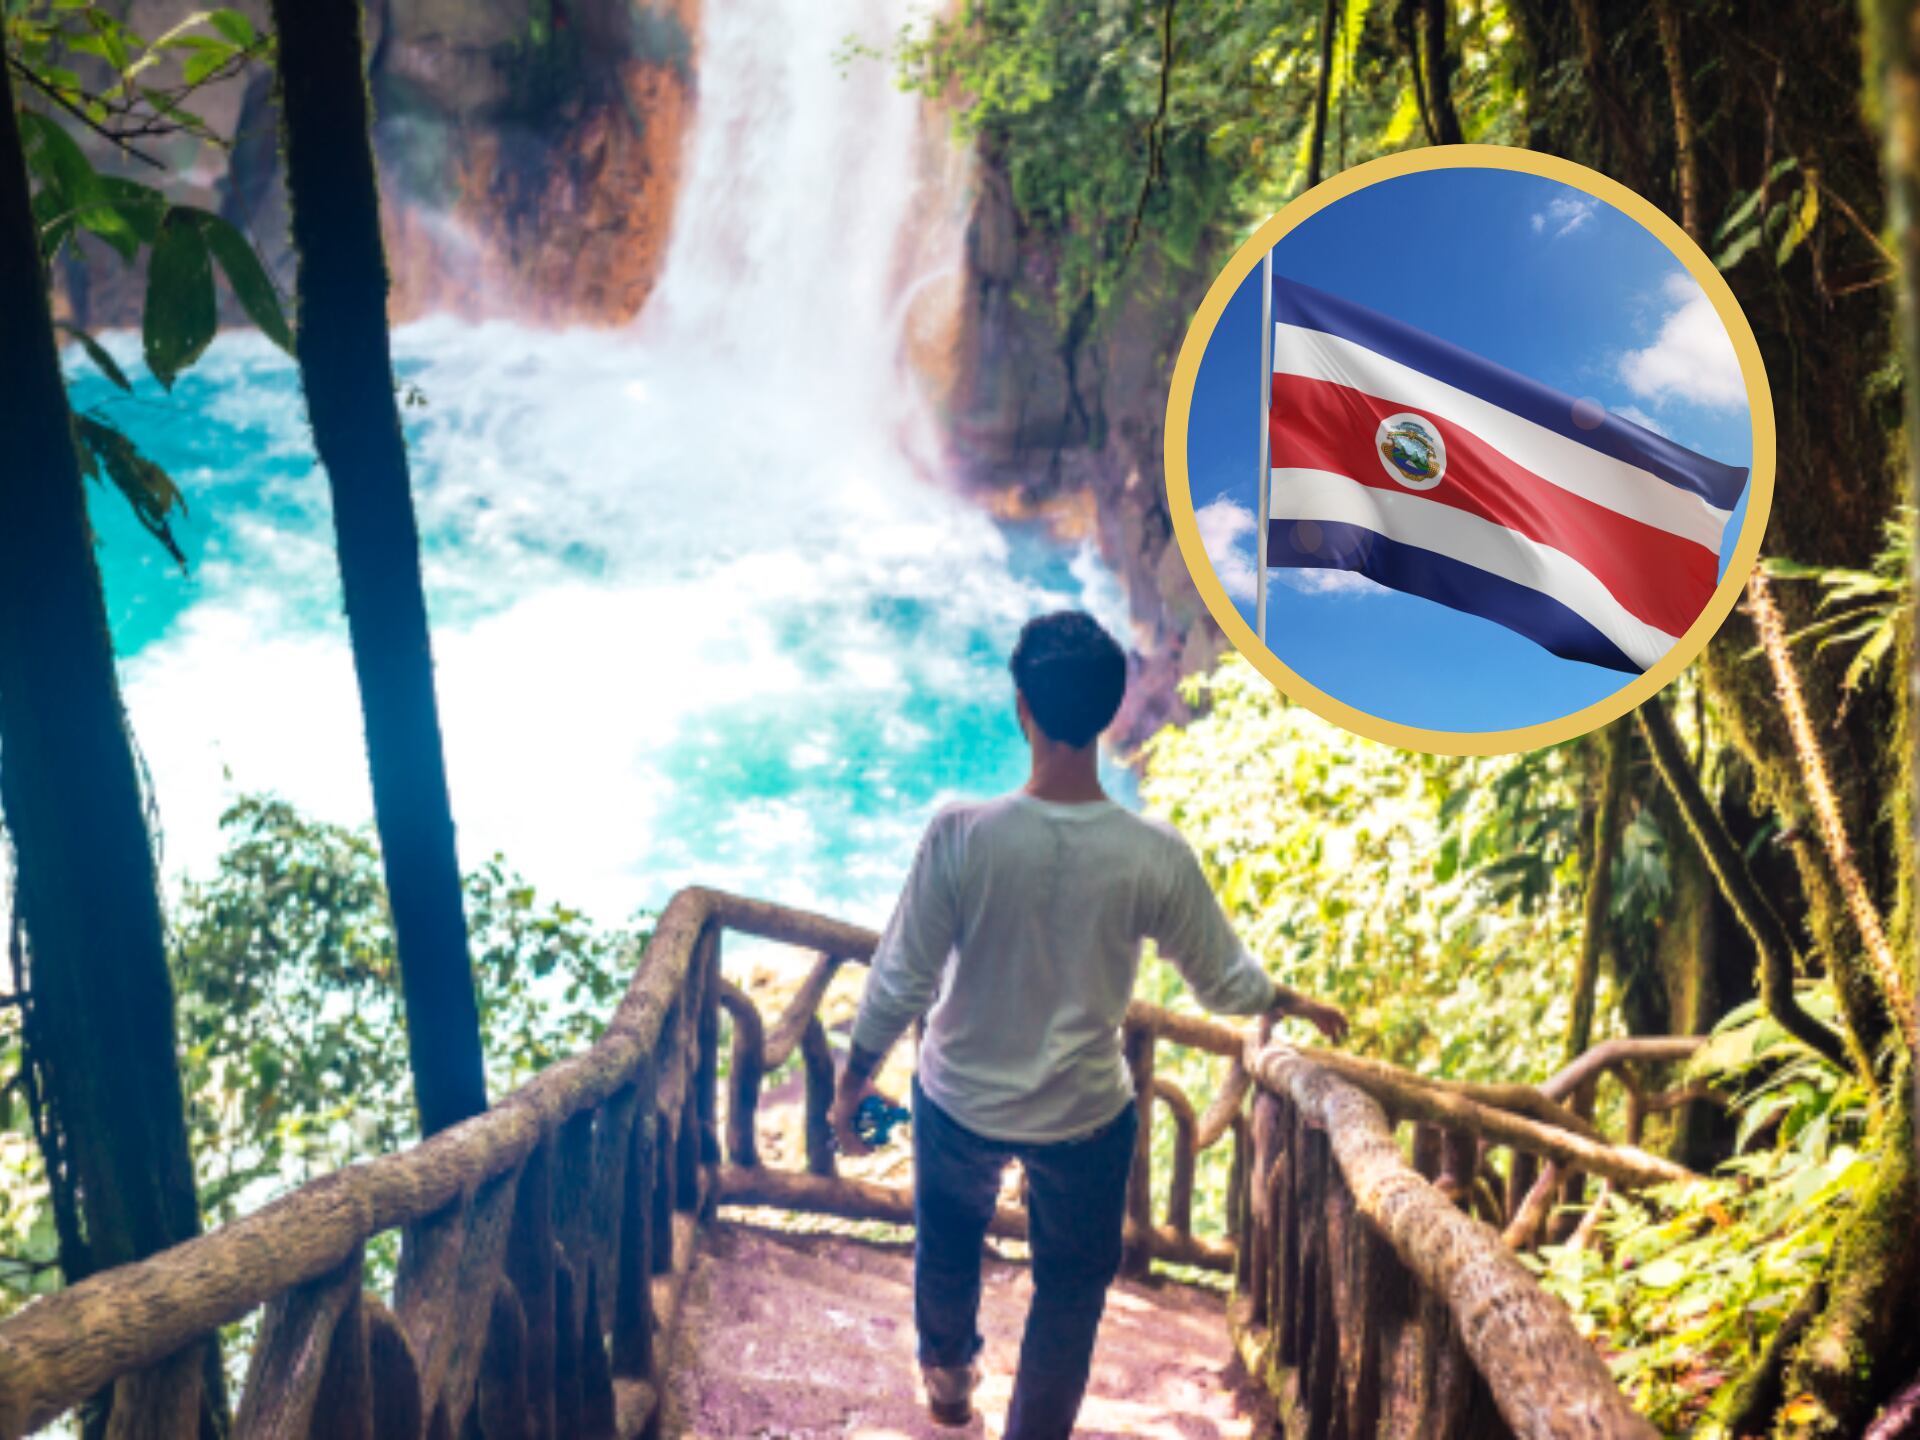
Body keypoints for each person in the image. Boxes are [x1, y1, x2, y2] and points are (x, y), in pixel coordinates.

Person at [829, 610, 1349, 1438]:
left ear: (1021, 708)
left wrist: (855, 1079)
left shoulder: (962, 835)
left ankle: (949, 1373)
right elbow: (1223, 980)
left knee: (949, 1244)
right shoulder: (1153, 854)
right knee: (1069, 1294)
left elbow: (901, 977)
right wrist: (1281, 1000)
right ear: (1110, 716)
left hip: (960, 1098)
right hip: (1084, 1115)